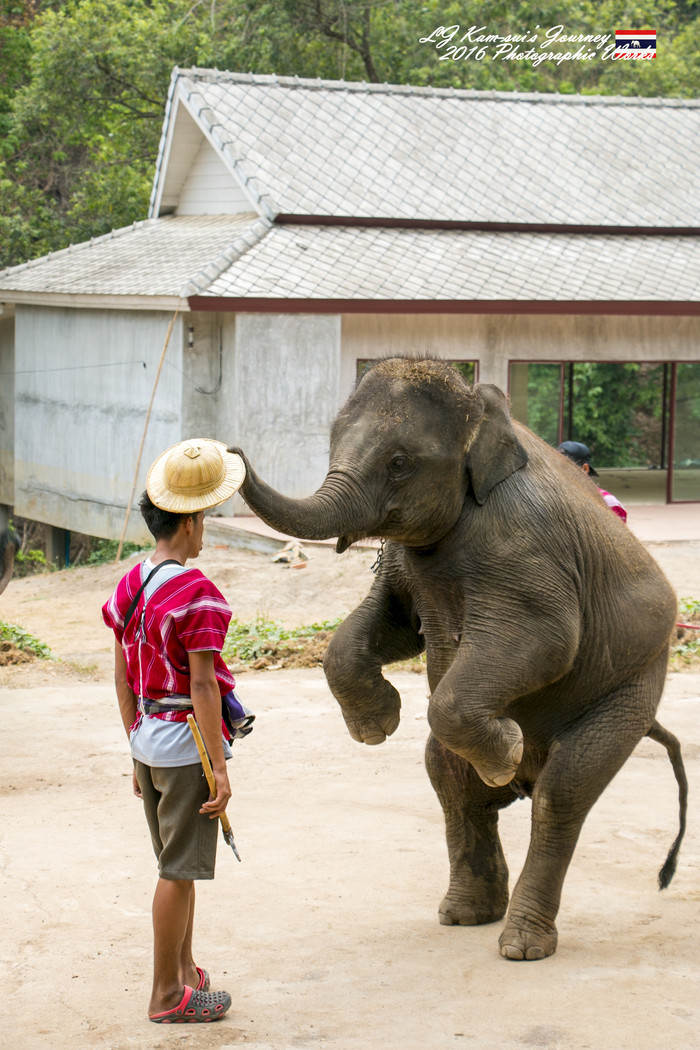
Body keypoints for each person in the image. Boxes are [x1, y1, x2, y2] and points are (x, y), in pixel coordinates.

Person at [102, 438, 245, 1024]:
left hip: (147, 739)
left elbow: (122, 679)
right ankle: (167, 995)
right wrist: (221, 765)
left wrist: (136, 748)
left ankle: (186, 971)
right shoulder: (196, 594)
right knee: (178, 872)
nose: (206, 527)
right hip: (187, 747)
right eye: (205, 517)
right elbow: (206, 688)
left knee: (177, 868)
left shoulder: (130, 582)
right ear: (187, 523)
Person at [557, 440, 628, 522]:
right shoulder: (555, 500)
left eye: (564, 467)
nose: (558, 472)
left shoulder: (609, 503)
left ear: (584, 469)